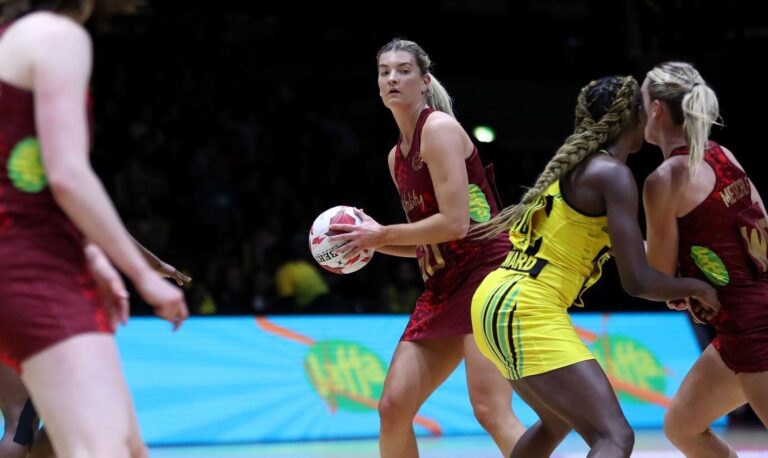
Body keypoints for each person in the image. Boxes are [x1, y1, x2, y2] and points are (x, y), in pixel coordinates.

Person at [469, 75, 721, 457]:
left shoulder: (576, 166)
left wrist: (682, 279)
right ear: (633, 119)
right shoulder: (613, 175)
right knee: (615, 436)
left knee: (556, 421)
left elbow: (632, 250)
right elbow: (637, 281)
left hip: (497, 299)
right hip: (527, 307)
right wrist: (698, 289)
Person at [0, 1, 189, 456]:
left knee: (124, 446)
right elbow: (67, 175)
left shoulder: (11, 43)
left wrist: (92, 256)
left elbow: (27, 180)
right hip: (33, 270)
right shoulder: (57, 38)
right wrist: (144, 276)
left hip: (32, 262)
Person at [327, 38, 525, 458]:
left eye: (403, 70)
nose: (392, 78)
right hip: (443, 285)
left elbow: (454, 223)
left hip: (486, 274)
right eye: (384, 72)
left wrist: (382, 235)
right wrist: (368, 243)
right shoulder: (396, 157)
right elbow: (426, 240)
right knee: (393, 408)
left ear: (424, 81)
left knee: (490, 409)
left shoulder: (438, 129)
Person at [641, 61, 768, 456]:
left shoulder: (665, 179)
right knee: (682, 425)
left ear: (658, 108)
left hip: (754, 332)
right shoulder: (723, 155)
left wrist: (616, 241)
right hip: (740, 324)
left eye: (642, 102)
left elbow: (655, 279)